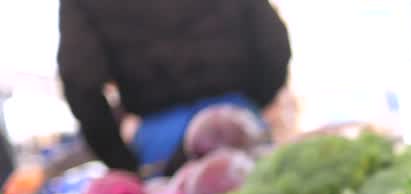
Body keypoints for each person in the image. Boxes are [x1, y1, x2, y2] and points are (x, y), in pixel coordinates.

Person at [57, 0, 291, 175]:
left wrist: (122, 162)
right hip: (238, 121)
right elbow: (274, 43)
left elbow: (79, 81)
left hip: (160, 144)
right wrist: (253, 103)